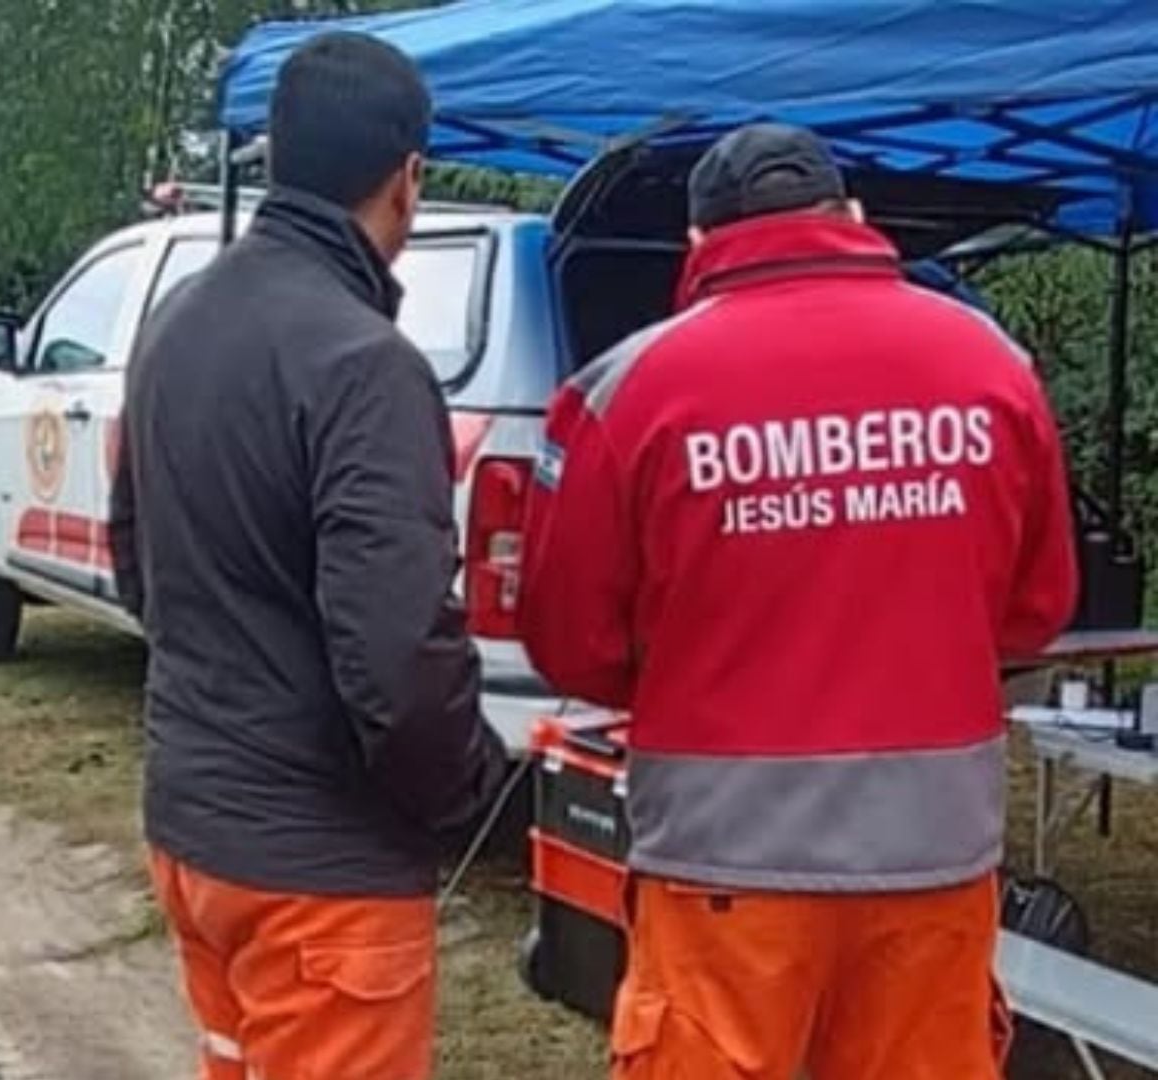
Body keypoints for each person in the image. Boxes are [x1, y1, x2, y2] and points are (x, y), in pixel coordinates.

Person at [520, 123, 1078, 1080]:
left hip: (724, 870)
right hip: (933, 863)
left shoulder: (628, 390)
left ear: (699, 245)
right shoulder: (992, 367)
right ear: (853, 219)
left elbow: (569, 641)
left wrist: (698, 661)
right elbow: (1037, 609)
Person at [108, 31, 505, 1080]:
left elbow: (134, 559)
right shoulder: (367, 365)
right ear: (408, 179)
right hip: (322, 877)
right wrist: (474, 788)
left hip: (197, 833)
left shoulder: (177, 318)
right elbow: (397, 659)